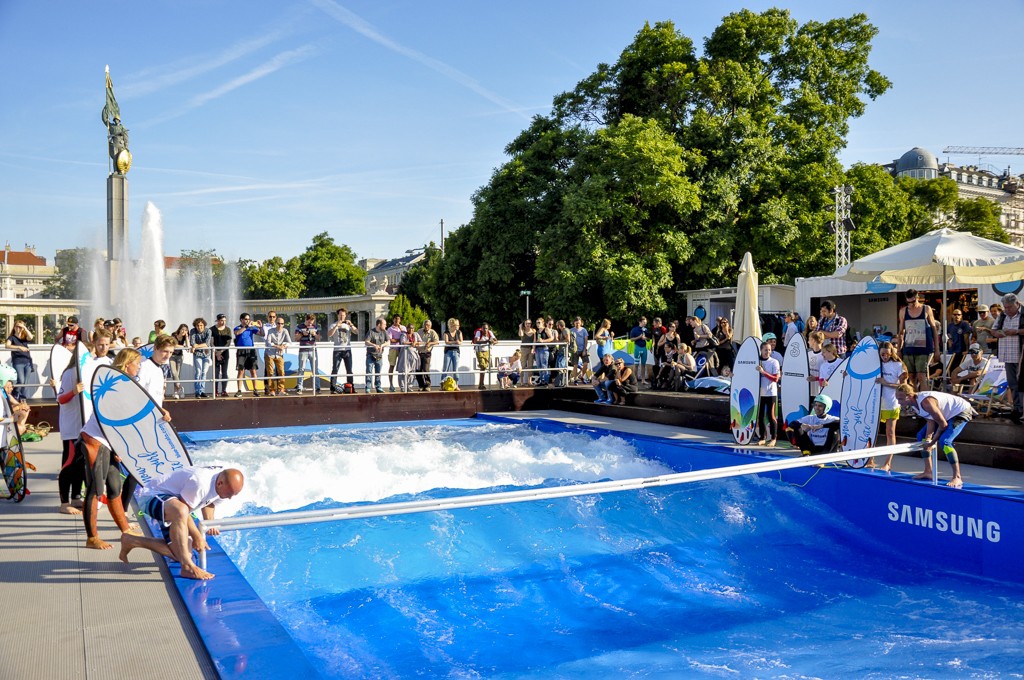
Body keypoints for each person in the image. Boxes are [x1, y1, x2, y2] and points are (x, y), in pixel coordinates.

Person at [121, 466, 245, 580]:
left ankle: (131, 540)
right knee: (181, 511)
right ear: (220, 483)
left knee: (181, 553)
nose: (230, 498)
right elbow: (183, 513)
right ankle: (187, 567)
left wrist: (210, 522)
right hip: (151, 496)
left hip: (172, 506)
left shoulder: (223, 484)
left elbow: (210, 502)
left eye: (233, 495)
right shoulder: (200, 483)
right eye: (229, 494)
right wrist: (197, 536)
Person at [77, 348, 143, 549]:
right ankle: (91, 538)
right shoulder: (114, 384)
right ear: (127, 364)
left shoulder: (124, 383)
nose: (139, 367)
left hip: (107, 442)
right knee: (95, 489)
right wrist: (120, 448)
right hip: (95, 440)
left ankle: (125, 529)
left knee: (115, 486)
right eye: (137, 363)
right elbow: (113, 420)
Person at [895, 383, 976, 488]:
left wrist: (933, 442)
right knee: (922, 438)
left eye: (900, 399)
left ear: (909, 396)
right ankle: (928, 471)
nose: (898, 402)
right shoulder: (914, 405)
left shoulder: (926, 402)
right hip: (945, 415)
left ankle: (957, 477)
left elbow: (943, 425)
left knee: (945, 441)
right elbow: (930, 420)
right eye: (897, 398)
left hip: (960, 411)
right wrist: (928, 438)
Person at [896, 289, 941, 392]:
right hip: (909, 347)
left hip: (923, 347)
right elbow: (901, 332)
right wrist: (898, 349)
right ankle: (914, 400)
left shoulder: (926, 309)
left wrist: (937, 349)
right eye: (908, 302)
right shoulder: (903, 311)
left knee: (922, 375)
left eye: (913, 302)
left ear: (917, 298)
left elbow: (934, 328)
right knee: (910, 376)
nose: (910, 304)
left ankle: (924, 400)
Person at [874, 341, 908, 471]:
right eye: (882, 354)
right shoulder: (875, 364)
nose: (884, 357)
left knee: (890, 433)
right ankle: (869, 459)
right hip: (876, 403)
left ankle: (888, 462)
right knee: (872, 433)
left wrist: (886, 383)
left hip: (891, 402)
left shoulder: (898, 365)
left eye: (887, 354)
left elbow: (903, 386)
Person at [991, 293, 1023, 423]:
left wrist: (1016, 331)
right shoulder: (1002, 315)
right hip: (1008, 354)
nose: (1007, 310)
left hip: (1021, 354)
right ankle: (1017, 409)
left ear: (1017, 304)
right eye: (1005, 307)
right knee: (1013, 383)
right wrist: (997, 333)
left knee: (1022, 383)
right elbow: (993, 330)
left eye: (1010, 307)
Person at [756, 341, 781, 446]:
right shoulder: (757, 361)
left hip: (771, 392)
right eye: (765, 350)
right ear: (761, 350)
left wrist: (763, 372)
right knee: (760, 416)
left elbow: (776, 378)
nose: (767, 352)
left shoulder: (774, 362)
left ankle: (773, 438)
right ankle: (762, 437)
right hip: (759, 393)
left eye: (769, 350)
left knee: (771, 416)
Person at [233, 313, 264, 397]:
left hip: (251, 350)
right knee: (241, 371)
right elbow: (237, 333)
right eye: (246, 319)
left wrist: (261, 327)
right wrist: (246, 326)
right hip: (241, 351)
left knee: (253, 370)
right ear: (241, 320)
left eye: (248, 319)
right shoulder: (237, 327)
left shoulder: (252, 328)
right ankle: (239, 390)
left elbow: (262, 334)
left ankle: (255, 389)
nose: (247, 321)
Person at [328, 308, 357, 394]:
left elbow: (357, 332)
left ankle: (351, 387)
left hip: (347, 350)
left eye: (343, 315)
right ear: (337, 315)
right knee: (335, 369)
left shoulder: (348, 325)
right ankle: (332, 388)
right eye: (340, 315)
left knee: (349, 369)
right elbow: (329, 334)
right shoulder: (333, 325)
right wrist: (337, 326)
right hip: (337, 350)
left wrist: (351, 325)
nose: (342, 317)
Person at [5, 319, 34, 401]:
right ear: (14, 327)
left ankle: (23, 398)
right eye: (17, 326)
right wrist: (18, 347)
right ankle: (15, 394)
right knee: (21, 380)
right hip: (18, 362)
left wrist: (24, 327)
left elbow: (31, 337)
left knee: (26, 383)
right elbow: (7, 345)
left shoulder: (24, 337)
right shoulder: (12, 337)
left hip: (27, 361)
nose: (19, 328)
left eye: (20, 327)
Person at [264, 315, 290, 396]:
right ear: (276, 323)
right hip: (270, 353)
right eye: (278, 323)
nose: (280, 325)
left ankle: (281, 389)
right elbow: (268, 342)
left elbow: (289, 342)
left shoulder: (285, 331)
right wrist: (277, 346)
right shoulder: (270, 331)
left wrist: (283, 346)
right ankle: (272, 390)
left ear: (283, 324)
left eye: (282, 324)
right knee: (270, 372)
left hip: (279, 354)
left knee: (281, 372)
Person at [294, 314, 320, 394]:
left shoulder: (315, 327)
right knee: (301, 369)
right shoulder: (299, 327)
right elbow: (296, 339)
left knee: (315, 369)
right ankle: (299, 387)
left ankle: (317, 388)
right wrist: (302, 334)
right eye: (309, 322)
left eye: (312, 322)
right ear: (306, 320)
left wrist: (314, 334)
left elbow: (319, 339)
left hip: (313, 350)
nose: (310, 324)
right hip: (303, 350)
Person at [188, 318, 212, 399]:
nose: (199, 327)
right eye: (197, 325)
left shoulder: (208, 331)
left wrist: (196, 346)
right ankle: (197, 392)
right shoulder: (192, 331)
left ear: (204, 325)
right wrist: (195, 346)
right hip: (197, 354)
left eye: (201, 325)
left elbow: (207, 343)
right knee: (198, 372)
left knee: (204, 372)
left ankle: (202, 391)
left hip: (206, 354)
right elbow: (192, 342)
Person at [364, 317, 389, 393]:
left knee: (378, 372)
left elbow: (388, 341)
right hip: (370, 355)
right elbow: (366, 341)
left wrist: (382, 345)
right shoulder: (371, 332)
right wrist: (374, 345)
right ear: (379, 324)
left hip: (379, 356)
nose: (386, 326)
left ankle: (378, 387)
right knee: (369, 371)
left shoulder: (384, 332)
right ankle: (368, 387)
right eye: (384, 324)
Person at [211, 314, 232, 397]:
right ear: (218, 320)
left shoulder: (228, 330)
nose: (223, 322)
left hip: (225, 353)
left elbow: (228, 343)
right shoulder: (212, 329)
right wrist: (216, 352)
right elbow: (211, 342)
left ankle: (224, 390)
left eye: (225, 320)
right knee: (216, 373)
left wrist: (221, 351)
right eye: (222, 320)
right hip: (214, 353)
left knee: (224, 372)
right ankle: (215, 390)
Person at [396, 321, 421, 393]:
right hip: (404, 356)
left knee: (412, 372)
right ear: (407, 328)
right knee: (403, 371)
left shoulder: (416, 334)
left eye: (412, 328)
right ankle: (403, 387)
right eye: (409, 328)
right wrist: (412, 343)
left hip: (413, 356)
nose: (411, 330)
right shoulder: (403, 334)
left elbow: (421, 342)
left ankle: (409, 386)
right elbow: (403, 342)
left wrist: (416, 343)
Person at [946, 309, 973, 374]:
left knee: (961, 370)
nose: (956, 316)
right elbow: (948, 334)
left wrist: (967, 349)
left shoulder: (964, 324)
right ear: (952, 316)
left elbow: (966, 338)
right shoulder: (950, 325)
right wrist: (950, 340)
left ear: (961, 316)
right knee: (952, 368)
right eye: (955, 314)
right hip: (953, 350)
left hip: (962, 351)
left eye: (958, 314)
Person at [168, 323, 190, 399]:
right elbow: (173, 345)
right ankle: (180, 388)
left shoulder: (184, 337)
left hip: (180, 356)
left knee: (177, 374)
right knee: (174, 373)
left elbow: (188, 347)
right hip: (172, 356)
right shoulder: (173, 335)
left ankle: (176, 392)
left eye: (186, 330)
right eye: (182, 329)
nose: (184, 331)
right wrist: (183, 346)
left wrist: (187, 337)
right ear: (179, 329)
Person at [473, 322, 498, 390]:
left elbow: (496, 341)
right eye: (484, 328)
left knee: (484, 368)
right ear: (482, 328)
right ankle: (481, 384)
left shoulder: (490, 332)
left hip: (487, 351)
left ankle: (481, 384)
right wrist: (486, 341)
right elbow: (476, 341)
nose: (485, 330)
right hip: (479, 350)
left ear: (488, 328)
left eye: (486, 328)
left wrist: (492, 342)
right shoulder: (479, 332)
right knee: (483, 366)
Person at [417, 319, 439, 391]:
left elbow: (437, 341)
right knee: (418, 370)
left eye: (428, 325)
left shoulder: (432, 332)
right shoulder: (419, 331)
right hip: (419, 353)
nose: (426, 326)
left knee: (426, 369)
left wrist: (430, 343)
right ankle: (421, 385)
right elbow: (415, 340)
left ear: (430, 326)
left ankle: (427, 385)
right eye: (425, 325)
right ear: (423, 325)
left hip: (427, 353)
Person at [262, 310, 280, 395]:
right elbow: (266, 337)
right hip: (269, 351)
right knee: (268, 371)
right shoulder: (265, 326)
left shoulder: (279, 325)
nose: (272, 318)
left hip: (278, 351)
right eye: (270, 316)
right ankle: (267, 388)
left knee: (279, 370)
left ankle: (279, 389)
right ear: (267, 317)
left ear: (275, 317)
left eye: (273, 317)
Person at [568, 317, 590, 385]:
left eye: (579, 323)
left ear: (581, 323)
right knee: (575, 365)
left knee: (586, 363)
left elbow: (586, 340)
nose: (577, 324)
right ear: (574, 323)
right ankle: (575, 379)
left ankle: (582, 376)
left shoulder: (584, 330)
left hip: (582, 349)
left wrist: (584, 350)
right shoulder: (571, 330)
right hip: (574, 350)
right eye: (576, 323)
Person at [386, 315, 405, 392]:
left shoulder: (403, 327)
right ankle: (391, 385)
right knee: (392, 366)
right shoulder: (390, 329)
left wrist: (401, 329)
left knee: (402, 368)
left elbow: (406, 335)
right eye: (395, 319)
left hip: (402, 350)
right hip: (393, 349)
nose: (397, 320)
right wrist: (399, 340)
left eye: (398, 319)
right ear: (393, 320)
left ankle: (403, 385)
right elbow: (391, 340)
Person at [533, 318, 554, 386]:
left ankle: (546, 381)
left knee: (544, 365)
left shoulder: (546, 329)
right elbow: (534, 341)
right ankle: (541, 381)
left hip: (544, 349)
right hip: (537, 349)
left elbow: (551, 338)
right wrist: (533, 348)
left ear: (543, 323)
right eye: (536, 323)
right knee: (539, 365)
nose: (537, 324)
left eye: (539, 322)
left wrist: (543, 341)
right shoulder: (536, 331)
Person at [442, 319, 462, 388]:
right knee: (445, 369)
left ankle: (456, 385)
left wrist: (458, 342)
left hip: (456, 351)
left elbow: (461, 341)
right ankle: (442, 384)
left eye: (456, 325)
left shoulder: (459, 332)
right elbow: (446, 342)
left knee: (455, 369)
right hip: (448, 352)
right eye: (454, 325)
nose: (456, 326)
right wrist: (455, 342)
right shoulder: (446, 332)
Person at [629, 317, 650, 385]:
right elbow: (631, 339)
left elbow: (649, 339)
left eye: (646, 322)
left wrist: (645, 338)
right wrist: (639, 337)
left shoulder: (646, 329)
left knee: (643, 364)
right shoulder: (634, 329)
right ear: (640, 322)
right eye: (644, 322)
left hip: (644, 348)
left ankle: (643, 380)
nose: (645, 323)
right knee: (636, 365)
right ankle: (634, 380)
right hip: (637, 348)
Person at [806, 331, 826, 397]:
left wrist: (816, 378)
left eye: (809, 340)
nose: (808, 342)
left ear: (814, 340)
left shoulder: (825, 355)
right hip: (808, 390)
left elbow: (829, 373)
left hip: (820, 390)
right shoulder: (808, 354)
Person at [518, 319, 536, 385]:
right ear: (524, 324)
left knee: (530, 365)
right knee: (522, 365)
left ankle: (529, 381)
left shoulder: (534, 331)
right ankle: (521, 381)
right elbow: (521, 335)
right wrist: (520, 327)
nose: (528, 324)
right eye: (526, 323)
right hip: (523, 349)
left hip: (530, 349)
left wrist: (533, 348)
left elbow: (534, 341)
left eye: (529, 323)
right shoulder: (522, 330)